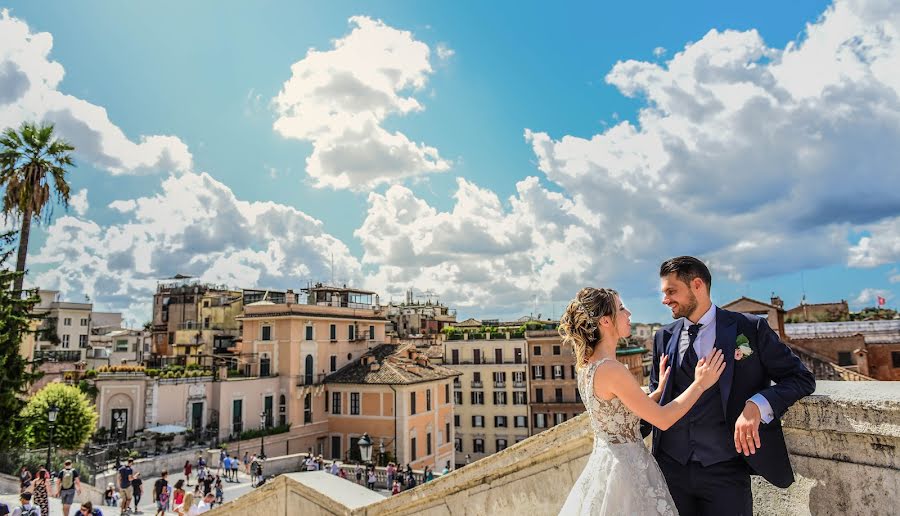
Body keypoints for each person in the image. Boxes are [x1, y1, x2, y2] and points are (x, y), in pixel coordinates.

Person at [648, 257, 816, 515]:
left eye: (671, 291)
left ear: (697, 285)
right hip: (671, 471)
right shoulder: (663, 337)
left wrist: (757, 405)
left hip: (726, 471)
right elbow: (657, 398)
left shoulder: (749, 328)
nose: (665, 299)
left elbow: (800, 378)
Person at [557, 286, 727, 514]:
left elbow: (620, 409)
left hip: (607, 463)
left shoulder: (588, 367)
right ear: (605, 321)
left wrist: (657, 393)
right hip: (626, 471)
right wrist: (700, 384)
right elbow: (663, 419)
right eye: (621, 308)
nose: (629, 314)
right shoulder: (612, 369)